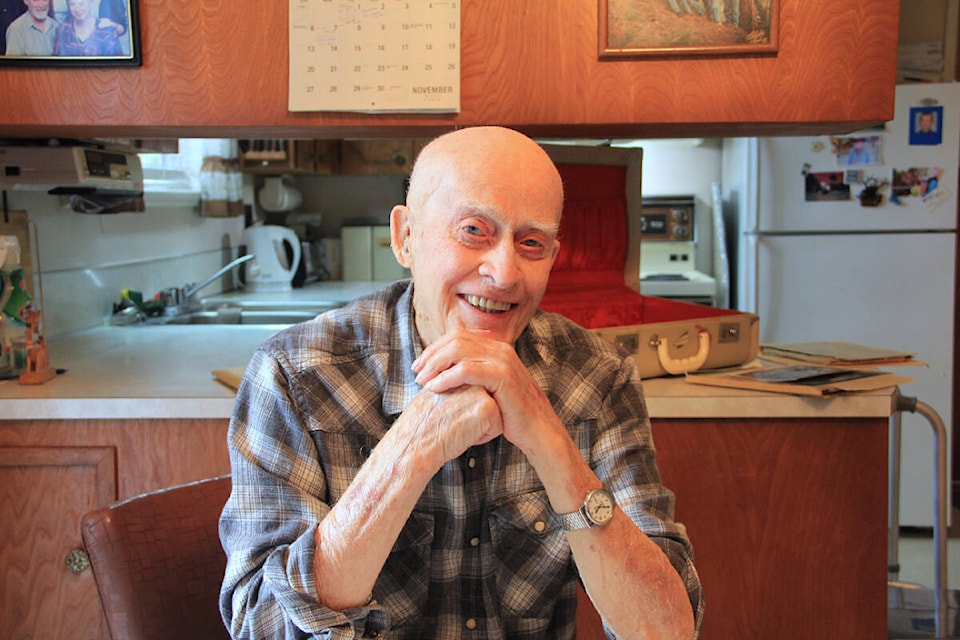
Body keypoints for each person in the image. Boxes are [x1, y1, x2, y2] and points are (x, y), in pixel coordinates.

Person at [219, 126, 704, 639]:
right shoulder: (295, 377)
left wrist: (551, 442)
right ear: (406, 236)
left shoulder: (598, 378)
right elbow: (260, 626)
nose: (504, 272)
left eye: (531, 243)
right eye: (474, 230)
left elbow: (667, 630)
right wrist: (409, 451)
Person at [53, 0, 121, 57]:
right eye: (72, 4)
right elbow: (56, 61)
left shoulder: (106, 31)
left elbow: (117, 64)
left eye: (81, 3)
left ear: (91, 3)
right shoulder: (62, 29)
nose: (77, 8)